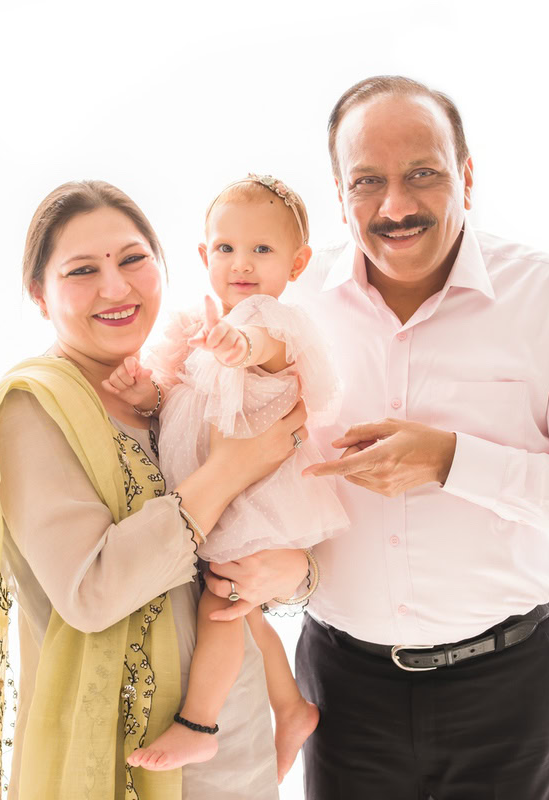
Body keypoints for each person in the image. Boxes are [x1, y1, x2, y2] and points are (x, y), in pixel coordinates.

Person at [234, 75, 549, 799]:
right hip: (341, 686)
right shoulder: (286, 315)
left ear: (466, 176)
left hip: (508, 685)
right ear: (339, 196)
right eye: (368, 182)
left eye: (422, 174)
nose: (395, 207)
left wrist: (454, 461)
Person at [0, 180, 312, 800]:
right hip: (125, 748)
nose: (116, 288)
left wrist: (296, 569)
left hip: (233, 732)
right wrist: (227, 470)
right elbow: (92, 591)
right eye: (83, 270)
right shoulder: (35, 410)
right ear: (39, 294)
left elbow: (253, 537)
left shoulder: (170, 390)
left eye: (133, 260)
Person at [104, 175, 345, 782]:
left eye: (262, 250)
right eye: (226, 248)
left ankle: (198, 725)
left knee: (222, 602)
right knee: (245, 608)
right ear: (205, 255)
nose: (242, 263)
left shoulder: (266, 318)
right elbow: (180, 401)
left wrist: (240, 345)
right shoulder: (200, 324)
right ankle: (289, 707)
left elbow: (270, 348)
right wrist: (146, 393)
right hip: (225, 484)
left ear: (297, 262)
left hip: (253, 494)